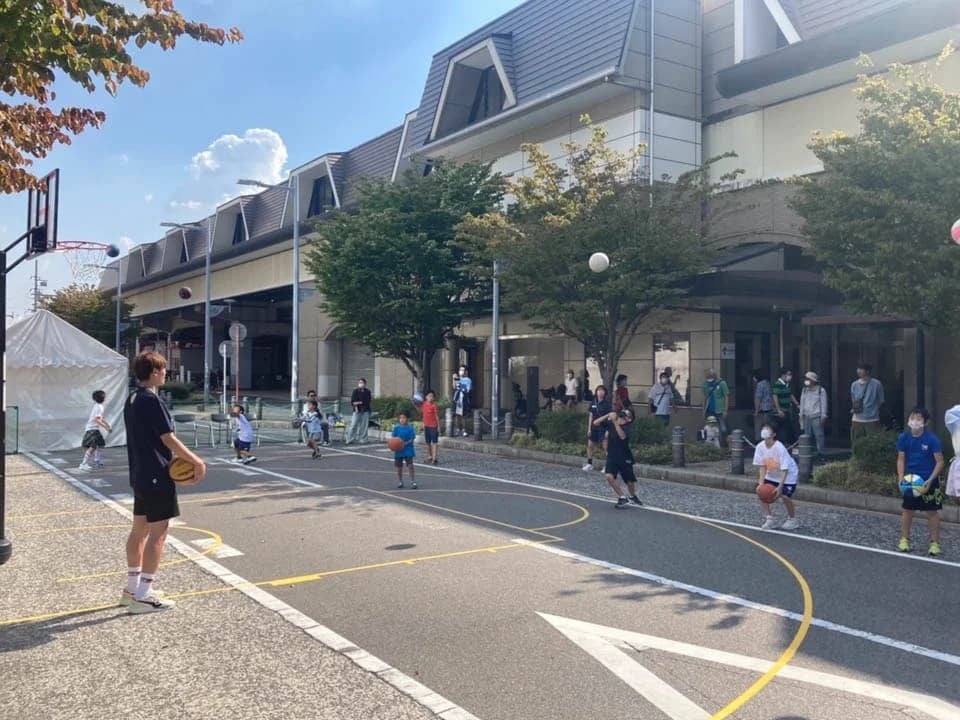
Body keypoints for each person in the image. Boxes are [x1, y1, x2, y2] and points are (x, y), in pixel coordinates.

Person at [122, 351, 206, 613]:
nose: (165, 373)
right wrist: (197, 461)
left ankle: (131, 589)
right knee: (158, 533)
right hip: (157, 474)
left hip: (139, 473)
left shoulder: (132, 398)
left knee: (139, 530)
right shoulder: (151, 400)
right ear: (155, 372)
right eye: (163, 369)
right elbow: (168, 438)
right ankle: (144, 594)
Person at [896, 407, 944, 556]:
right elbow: (901, 459)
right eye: (912, 418)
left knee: (932, 512)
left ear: (926, 422)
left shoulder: (932, 440)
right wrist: (901, 478)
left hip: (928, 481)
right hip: (911, 481)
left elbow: (940, 462)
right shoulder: (904, 438)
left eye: (918, 419)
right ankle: (904, 540)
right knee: (907, 510)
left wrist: (930, 479)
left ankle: (934, 543)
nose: (914, 421)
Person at [752, 420, 800, 531]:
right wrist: (761, 483)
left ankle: (792, 519)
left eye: (768, 429)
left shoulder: (779, 447)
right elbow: (762, 466)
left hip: (788, 476)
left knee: (785, 496)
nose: (764, 431)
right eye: (764, 428)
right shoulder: (760, 447)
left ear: (773, 434)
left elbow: (785, 469)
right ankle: (769, 519)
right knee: (761, 492)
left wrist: (780, 487)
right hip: (772, 474)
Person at [593, 407, 641, 509]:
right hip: (612, 455)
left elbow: (622, 436)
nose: (622, 415)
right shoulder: (611, 423)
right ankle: (622, 497)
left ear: (629, 419)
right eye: (622, 413)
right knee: (609, 476)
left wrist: (615, 422)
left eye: (626, 415)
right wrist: (608, 415)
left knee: (629, 480)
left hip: (624, 456)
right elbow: (596, 423)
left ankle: (633, 496)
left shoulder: (628, 427)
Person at [799, 371, 828, 462]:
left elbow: (824, 403)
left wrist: (823, 416)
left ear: (813, 380)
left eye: (808, 379)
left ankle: (821, 454)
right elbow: (802, 403)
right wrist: (801, 415)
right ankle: (809, 454)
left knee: (819, 436)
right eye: (806, 379)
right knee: (807, 436)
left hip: (816, 416)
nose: (806, 381)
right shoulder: (804, 390)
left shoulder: (821, 390)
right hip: (806, 416)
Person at [78, 389, 111, 471]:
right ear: (102, 398)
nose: (105, 398)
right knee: (93, 447)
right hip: (92, 429)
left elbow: (100, 418)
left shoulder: (98, 406)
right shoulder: (99, 407)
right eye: (104, 396)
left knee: (100, 444)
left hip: (94, 429)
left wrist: (107, 425)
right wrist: (106, 427)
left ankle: (97, 460)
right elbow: (96, 419)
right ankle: (83, 464)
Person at [851, 363, 884, 443]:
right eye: (858, 369)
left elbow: (881, 400)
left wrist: (874, 410)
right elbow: (853, 399)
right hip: (857, 418)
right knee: (857, 442)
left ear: (868, 371)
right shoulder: (854, 384)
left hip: (872, 418)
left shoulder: (877, 384)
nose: (858, 371)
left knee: (873, 442)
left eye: (861, 369)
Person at [582, 384, 611, 472]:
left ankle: (608, 466)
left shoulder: (607, 404)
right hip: (593, 428)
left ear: (605, 393)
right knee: (590, 445)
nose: (600, 392)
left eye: (602, 391)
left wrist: (608, 430)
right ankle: (589, 464)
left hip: (603, 428)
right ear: (596, 392)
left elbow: (610, 418)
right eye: (599, 390)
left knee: (605, 447)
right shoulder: (593, 402)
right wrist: (589, 429)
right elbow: (591, 416)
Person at [772, 367, 799, 447]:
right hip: (781, 411)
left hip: (787, 410)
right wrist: (779, 410)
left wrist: (797, 404)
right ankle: (785, 444)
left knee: (787, 427)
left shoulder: (786, 385)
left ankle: (789, 444)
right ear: (783, 375)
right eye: (789, 374)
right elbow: (775, 397)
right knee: (782, 428)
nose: (790, 376)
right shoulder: (777, 384)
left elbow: (790, 395)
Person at [392, 411, 417, 489]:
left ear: (407, 419)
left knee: (410, 465)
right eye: (400, 418)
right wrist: (395, 445)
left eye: (404, 418)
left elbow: (412, 439)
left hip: (408, 449)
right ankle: (400, 481)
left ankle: (413, 481)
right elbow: (393, 439)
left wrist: (404, 443)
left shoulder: (410, 428)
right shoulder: (396, 428)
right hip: (399, 450)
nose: (402, 419)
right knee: (399, 467)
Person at [701, 369, 729, 437]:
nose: (709, 379)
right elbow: (705, 398)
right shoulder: (705, 385)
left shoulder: (722, 383)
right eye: (708, 377)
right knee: (709, 428)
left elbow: (726, 396)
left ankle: (723, 441)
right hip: (709, 410)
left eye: (710, 377)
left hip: (720, 409)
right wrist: (703, 410)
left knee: (723, 428)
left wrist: (725, 410)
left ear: (714, 376)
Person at [345, 377, 372, 444]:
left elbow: (367, 401)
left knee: (364, 426)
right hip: (357, 410)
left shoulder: (367, 391)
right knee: (353, 425)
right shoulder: (355, 391)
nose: (360, 384)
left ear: (365, 384)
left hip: (365, 410)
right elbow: (353, 402)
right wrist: (357, 406)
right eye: (359, 382)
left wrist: (359, 402)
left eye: (362, 382)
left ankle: (363, 439)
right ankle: (350, 439)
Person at [752, 369, 774, 443]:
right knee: (767, 427)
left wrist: (756, 411)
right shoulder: (767, 383)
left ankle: (759, 442)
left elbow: (758, 398)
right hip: (769, 409)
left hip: (761, 410)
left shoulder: (760, 384)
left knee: (759, 427)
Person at [421, 390, 440, 465]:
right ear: (426, 397)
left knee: (434, 442)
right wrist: (423, 424)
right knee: (428, 442)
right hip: (426, 426)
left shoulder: (434, 405)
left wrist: (438, 426)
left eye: (432, 396)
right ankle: (430, 456)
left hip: (433, 426)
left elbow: (437, 416)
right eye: (429, 396)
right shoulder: (424, 404)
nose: (431, 398)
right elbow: (423, 414)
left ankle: (434, 458)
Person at [453, 366, 472, 436]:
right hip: (457, 398)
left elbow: (467, 389)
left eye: (463, 370)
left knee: (463, 415)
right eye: (460, 370)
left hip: (464, 398)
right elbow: (454, 387)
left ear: (466, 372)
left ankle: (464, 430)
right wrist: (454, 379)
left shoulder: (468, 380)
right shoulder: (457, 378)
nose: (461, 371)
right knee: (457, 415)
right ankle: (458, 429)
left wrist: (460, 384)